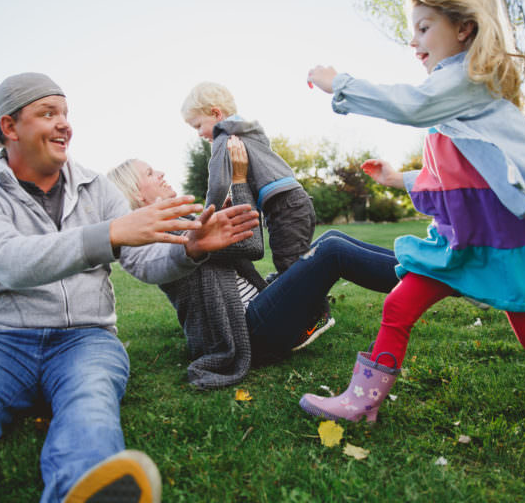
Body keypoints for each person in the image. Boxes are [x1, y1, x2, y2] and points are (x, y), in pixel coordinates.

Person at [0, 72, 260, 503]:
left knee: (90, 408)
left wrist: (190, 250)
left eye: (65, 113)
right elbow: (9, 261)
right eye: (48, 113)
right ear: (9, 127)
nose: (64, 123)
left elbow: (142, 263)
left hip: (87, 339)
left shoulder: (96, 188)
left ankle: (82, 491)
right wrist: (109, 234)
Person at [299, 0, 525, 425]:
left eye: (424, 28)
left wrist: (338, 83)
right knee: (398, 306)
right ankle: (362, 404)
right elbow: (463, 177)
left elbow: (412, 105)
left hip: (506, 243)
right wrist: (399, 179)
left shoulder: (465, 81)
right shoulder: (451, 94)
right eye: (411, 31)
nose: (414, 42)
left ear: (463, 28)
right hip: (461, 244)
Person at [107, 137, 401, 389]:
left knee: (332, 237)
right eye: (149, 173)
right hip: (248, 334)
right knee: (332, 251)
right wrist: (239, 179)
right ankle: (423, 279)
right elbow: (251, 246)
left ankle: (418, 268)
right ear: (136, 194)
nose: (159, 172)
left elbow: (236, 248)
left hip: (256, 313)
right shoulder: (166, 237)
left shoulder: (180, 225)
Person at [181, 82, 317, 280]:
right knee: (297, 260)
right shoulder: (248, 130)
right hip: (297, 198)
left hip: (282, 205)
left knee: (289, 263)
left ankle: (317, 311)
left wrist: (208, 215)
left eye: (198, 126)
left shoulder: (223, 135)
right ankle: (312, 302)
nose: (199, 134)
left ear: (216, 114)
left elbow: (218, 183)